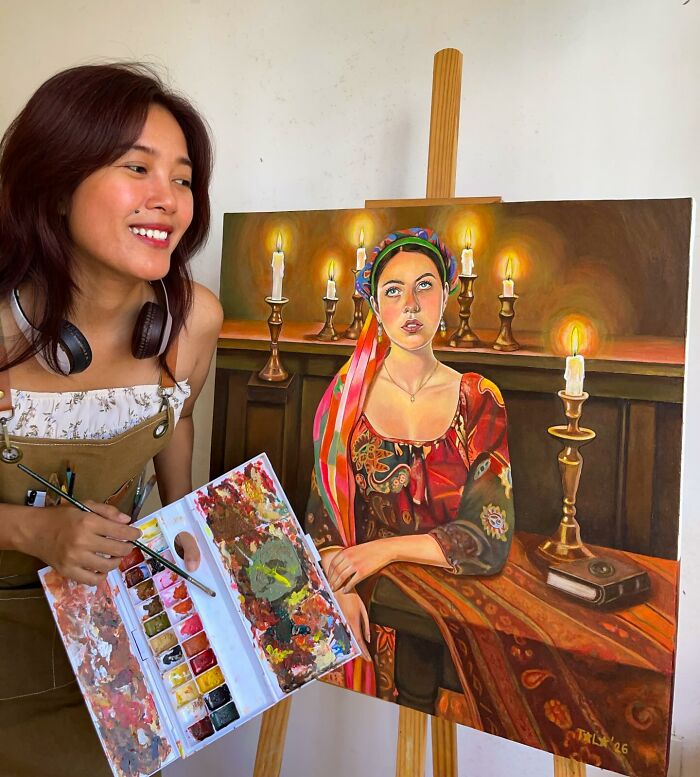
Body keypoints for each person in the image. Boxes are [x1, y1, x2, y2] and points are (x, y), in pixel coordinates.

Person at [0, 63, 222, 776]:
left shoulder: (194, 323)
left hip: (114, 641)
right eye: (138, 168)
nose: (169, 200)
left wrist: (187, 518)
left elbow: (173, 425)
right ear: (58, 184)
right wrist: (35, 528)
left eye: (183, 179)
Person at [306, 227, 514, 694]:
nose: (411, 304)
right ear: (377, 309)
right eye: (394, 291)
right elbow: (321, 520)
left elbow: (489, 535)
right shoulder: (346, 400)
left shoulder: (478, 398)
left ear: (447, 296)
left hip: (448, 615)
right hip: (367, 605)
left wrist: (385, 549)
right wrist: (340, 588)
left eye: (425, 285)